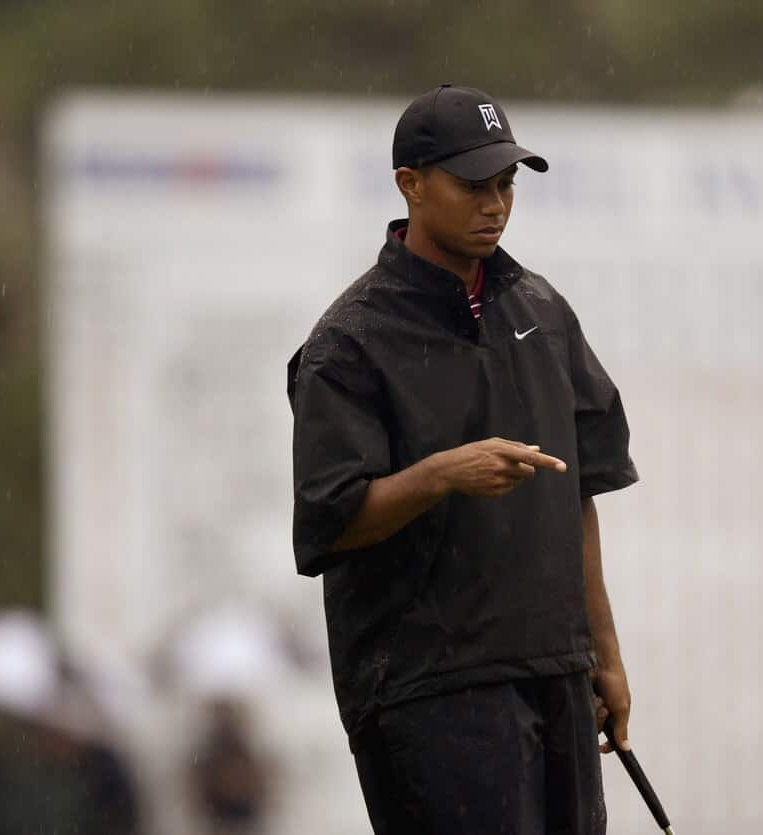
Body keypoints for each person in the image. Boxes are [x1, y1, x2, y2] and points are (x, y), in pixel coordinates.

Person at [288, 83, 639, 834]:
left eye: (507, 184)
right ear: (410, 185)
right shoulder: (349, 343)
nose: (496, 204)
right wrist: (442, 474)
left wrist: (600, 654)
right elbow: (332, 521)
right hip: (429, 688)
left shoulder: (543, 312)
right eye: (474, 185)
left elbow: (580, 494)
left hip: (555, 672)